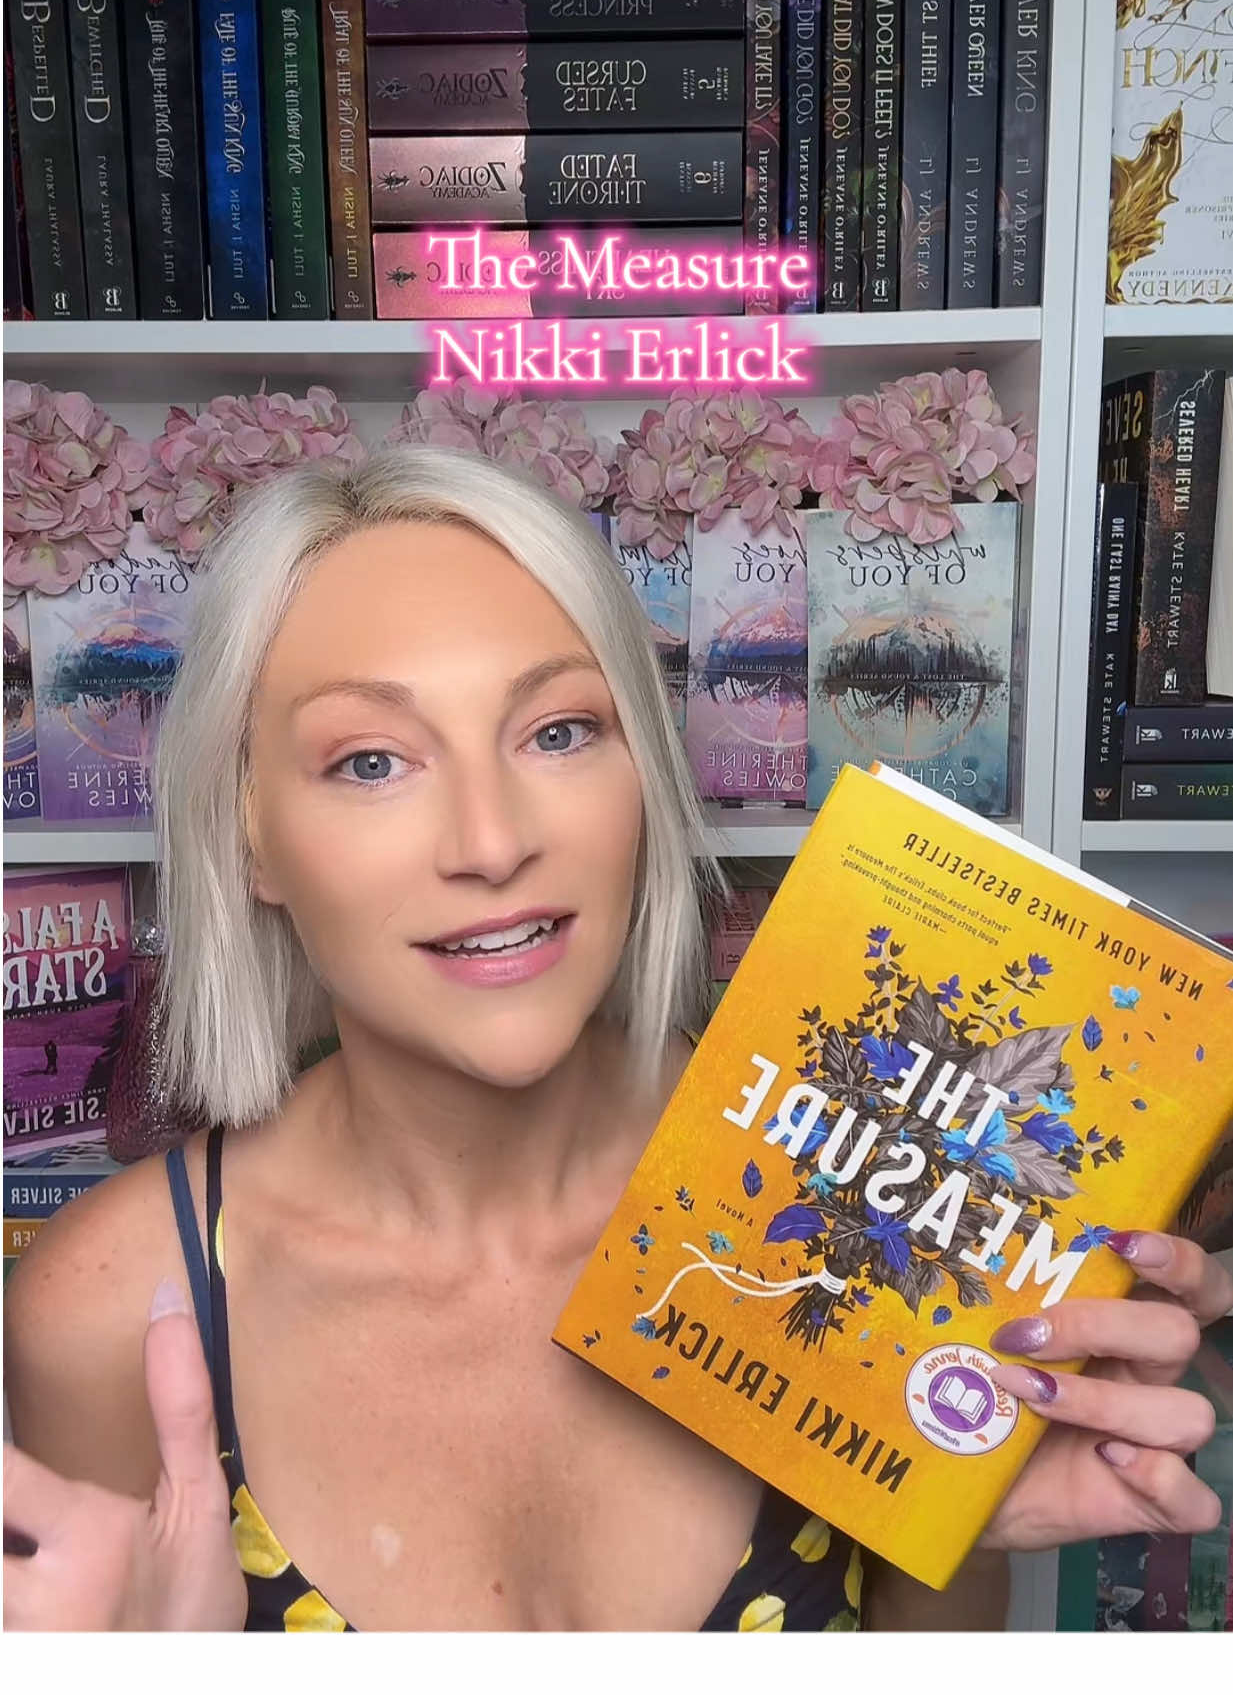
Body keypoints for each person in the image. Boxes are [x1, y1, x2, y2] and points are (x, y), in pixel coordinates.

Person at [4, 446, 1230, 1632]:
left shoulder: (844, 1187)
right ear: (251, 838)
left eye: (559, 732)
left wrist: (959, 1506)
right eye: (371, 761)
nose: (492, 843)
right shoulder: (111, 1316)